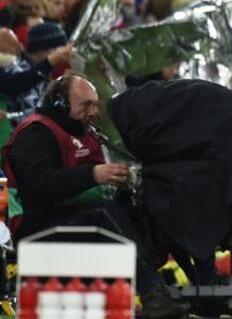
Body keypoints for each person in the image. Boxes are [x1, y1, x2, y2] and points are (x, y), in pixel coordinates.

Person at [1, 72, 188, 318]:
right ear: (60, 103)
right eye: (86, 104)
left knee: (145, 206)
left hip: (78, 214)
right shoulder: (35, 133)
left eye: (95, 104)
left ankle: (193, 283)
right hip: (38, 224)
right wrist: (93, 175)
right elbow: (41, 185)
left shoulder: (85, 132)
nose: (93, 111)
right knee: (103, 217)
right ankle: (152, 292)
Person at [0, 22, 75, 115]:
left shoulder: (42, 73)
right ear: (41, 50)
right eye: (58, 49)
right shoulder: (16, 66)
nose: (62, 54)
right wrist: (49, 63)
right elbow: (11, 85)